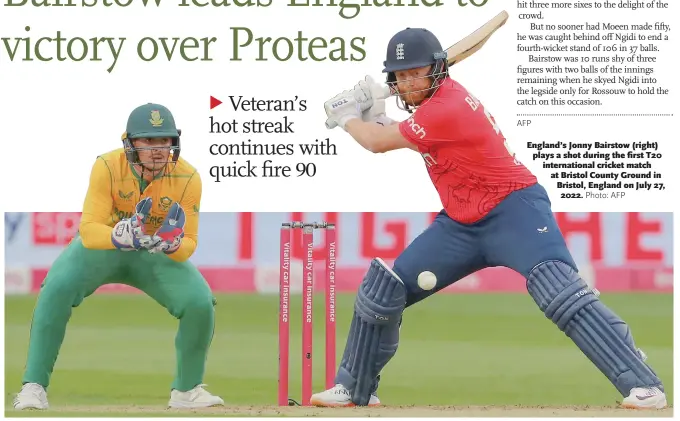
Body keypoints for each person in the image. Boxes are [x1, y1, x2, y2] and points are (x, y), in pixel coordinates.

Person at [315, 28, 667, 409]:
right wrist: (373, 113)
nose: (407, 83)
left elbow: (376, 142)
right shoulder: (431, 111)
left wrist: (348, 116)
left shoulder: (446, 107)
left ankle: (643, 384)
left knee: (559, 292)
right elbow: (392, 132)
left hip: (513, 210)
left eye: (415, 73)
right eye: (399, 76)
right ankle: (354, 389)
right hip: (461, 223)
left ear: (437, 69)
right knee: (384, 290)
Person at [12, 103, 224, 410]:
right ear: (130, 143)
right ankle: (33, 387)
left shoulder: (189, 177)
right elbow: (88, 230)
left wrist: (171, 246)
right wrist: (117, 235)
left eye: (164, 141)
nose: (157, 149)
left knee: (199, 301)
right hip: (103, 249)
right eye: (148, 141)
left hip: (151, 252)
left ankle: (187, 392)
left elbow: (189, 242)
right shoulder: (108, 166)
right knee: (55, 289)